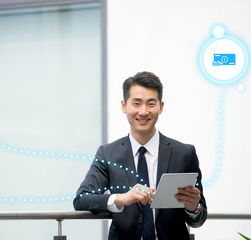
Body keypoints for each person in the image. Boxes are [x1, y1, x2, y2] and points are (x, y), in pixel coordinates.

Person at [73, 71, 207, 240]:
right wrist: (121, 199)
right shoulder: (108, 154)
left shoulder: (184, 153)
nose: (143, 112)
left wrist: (193, 208)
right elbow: (82, 199)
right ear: (124, 106)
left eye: (151, 104)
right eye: (136, 103)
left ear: (161, 106)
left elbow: (199, 218)